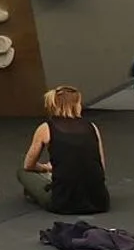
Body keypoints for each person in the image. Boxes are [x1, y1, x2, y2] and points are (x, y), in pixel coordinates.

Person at [16, 86, 110, 215]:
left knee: (23, 173)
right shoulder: (92, 127)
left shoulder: (46, 128)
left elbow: (28, 165)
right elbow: (100, 167)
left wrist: (45, 168)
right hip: (99, 202)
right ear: (76, 105)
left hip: (62, 203)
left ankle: (39, 192)